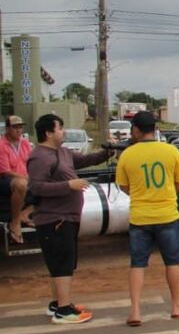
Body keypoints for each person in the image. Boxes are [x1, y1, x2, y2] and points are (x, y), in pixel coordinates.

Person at [27, 114, 113, 323]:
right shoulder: (40, 157)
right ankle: (63, 311)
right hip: (54, 219)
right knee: (62, 264)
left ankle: (58, 303)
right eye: (60, 128)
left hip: (67, 217)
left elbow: (86, 160)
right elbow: (37, 187)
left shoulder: (63, 152)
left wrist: (108, 151)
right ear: (48, 133)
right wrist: (69, 185)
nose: (63, 131)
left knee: (62, 263)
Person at [116, 111, 179, 326]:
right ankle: (177, 305)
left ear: (137, 130)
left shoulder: (128, 155)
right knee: (173, 262)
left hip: (140, 217)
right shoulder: (170, 151)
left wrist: (140, 195)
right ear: (155, 129)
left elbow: (123, 185)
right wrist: (166, 194)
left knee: (138, 264)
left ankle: (135, 311)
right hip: (167, 214)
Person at [0, 115, 34, 243]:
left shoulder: (25, 143)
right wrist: (26, 178)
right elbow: (5, 171)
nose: (19, 130)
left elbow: (32, 163)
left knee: (52, 183)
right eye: (15, 127)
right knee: (21, 184)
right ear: (7, 128)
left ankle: (24, 214)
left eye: (20, 127)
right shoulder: (1, 145)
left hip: (25, 178)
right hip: (6, 180)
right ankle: (15, 222)